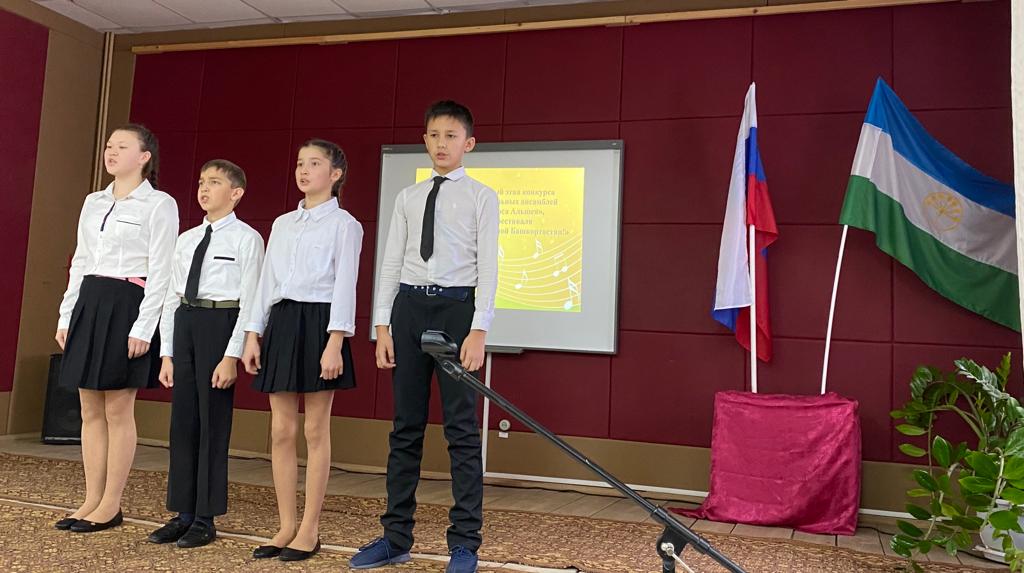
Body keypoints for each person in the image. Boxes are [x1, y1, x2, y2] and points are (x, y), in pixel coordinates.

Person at [350, 100, 499, 573]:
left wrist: (479, 329)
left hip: (457, 310)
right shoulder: (408, 197)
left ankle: (465, 544)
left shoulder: (482, 196)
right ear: (425, 140)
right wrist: (382, 325)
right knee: (405, 428)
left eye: (451, 136)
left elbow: (489, 267)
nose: (441, 144)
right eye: (434, 135)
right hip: (409, 308)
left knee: (461, 430)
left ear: (468, 143)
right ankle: (396, 538)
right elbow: (391, 261)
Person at [241, 139, 363, 562]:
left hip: (320, 324)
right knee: (280, 430)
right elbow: (266, 282)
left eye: (314, 164)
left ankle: (309, 529)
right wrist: (253, 334)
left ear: (335, 174)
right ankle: (285, 525)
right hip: (282, 321)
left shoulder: (345, 225)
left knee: (314, 429)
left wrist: (335, 342)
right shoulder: (282, 224)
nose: (304, 171)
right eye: (300, 163)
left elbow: (345, 285)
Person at [54, 124, 178, 534]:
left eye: (122, 146)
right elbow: (80, 260)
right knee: (89, 407)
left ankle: (111, 503)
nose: (111, 151)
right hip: (90, 300)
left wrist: (145, 326)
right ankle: (91, 498)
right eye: (109, 145)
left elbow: (162, 270)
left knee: (117, 407)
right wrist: (66, 315)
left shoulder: (159, 204)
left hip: (128, 303)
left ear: (144, 157)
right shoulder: (93, 202)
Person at [146, 159, 264, 548]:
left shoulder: (247, 239)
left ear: (236, 193)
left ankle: (205, 517)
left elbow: (251, 301)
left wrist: (231, 355)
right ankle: (182, 512)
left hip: (221, 322)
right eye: (201, 182)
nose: (204, 189)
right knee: (182, 422)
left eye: (214, 182)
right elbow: (171, 297)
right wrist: (167, 353)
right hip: (186, 321)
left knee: (212, 421)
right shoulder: (187, 239)